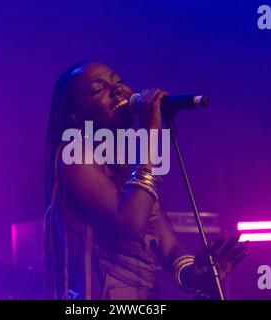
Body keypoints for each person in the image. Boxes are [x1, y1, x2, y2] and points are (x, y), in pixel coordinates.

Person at [42, 61, 248, 300]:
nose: (117, 89)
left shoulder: (129, 166)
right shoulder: (73, 157)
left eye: (118, 81)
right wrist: (151, 132)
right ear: (75, 115)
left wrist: (196, 274)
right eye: (99, 89)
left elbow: (169, 247)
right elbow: (130, 226)